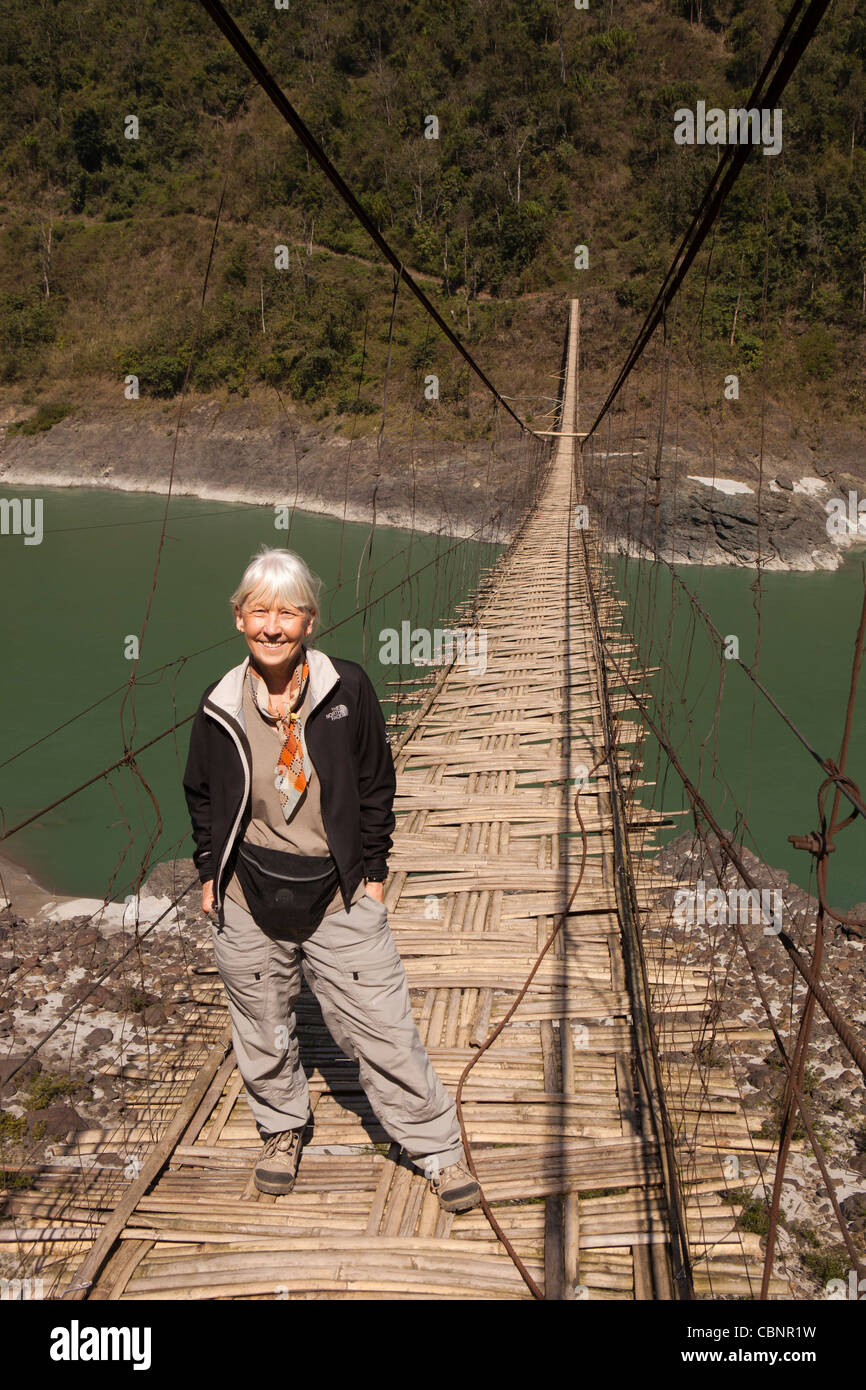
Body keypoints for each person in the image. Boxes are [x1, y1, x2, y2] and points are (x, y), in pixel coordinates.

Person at [182, 546, 480, 1212]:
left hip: (340, 889)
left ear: (310, 621)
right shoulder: (219, 704)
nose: (273, 625)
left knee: (381, 1024)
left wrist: (373, 873)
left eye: (289, 611)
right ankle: (281, 1130)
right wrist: (210, 872)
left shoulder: (348, 689)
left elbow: (376, 782)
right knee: (259, 1022)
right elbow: (201, 794)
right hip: (247, 891)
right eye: (259, 610)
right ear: (238, 619)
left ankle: (436, 1148)